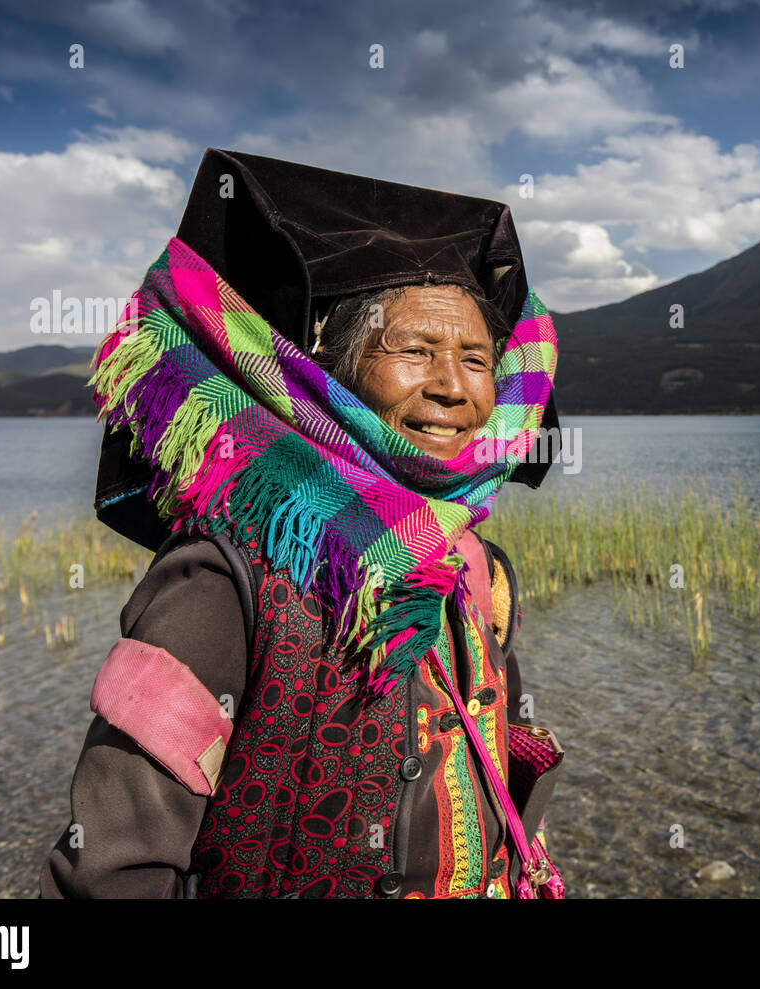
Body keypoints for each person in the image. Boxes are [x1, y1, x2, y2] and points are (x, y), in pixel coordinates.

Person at [39, 148, 562, 898]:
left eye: (476, 358)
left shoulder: (474, 565)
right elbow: (113, 866)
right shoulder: (225, 570)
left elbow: (487, 762)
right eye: (415, 350)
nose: (452, 386)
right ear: (333, 373)